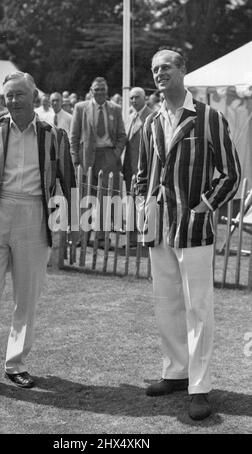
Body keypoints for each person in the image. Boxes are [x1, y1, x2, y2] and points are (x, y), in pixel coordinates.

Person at [136, 50, 241, 420]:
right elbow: (142, 171)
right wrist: (142, 204)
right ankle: (175, 372)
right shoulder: (151, 120)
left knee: (198, 307)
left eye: (166, 66)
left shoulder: (209, 117)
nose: (159, 73)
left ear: (183, 70)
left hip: (194, 226)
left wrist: (205, 207)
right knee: (165, 302)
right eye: (154, 69)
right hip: (158, 224)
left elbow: (231, 173)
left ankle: (200, 386)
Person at [0, 71, 75, 394]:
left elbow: (66, 180)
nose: (13, 101)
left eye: (19, 94)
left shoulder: (53, 135)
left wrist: (70, 219)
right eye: (9, 95)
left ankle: (16, 364)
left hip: (34, 214)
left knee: (26, 298)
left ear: (34, 96)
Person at [70, 76, 127, 247]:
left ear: (107, 91)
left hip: (108, 157)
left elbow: (122, 136)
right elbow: (74, 136)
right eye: (97, 89)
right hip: (86, 158)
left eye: (103, 89)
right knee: (85, 197)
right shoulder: (81, 108)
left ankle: (102, 238)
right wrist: (75, 159)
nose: (100, 92)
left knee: (105, 199)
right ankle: (82, 236)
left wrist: (115, 154)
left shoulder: (115, 109)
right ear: (91, 91)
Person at [122, 87, 152, 247]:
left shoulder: (152, 116)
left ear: (144, 98)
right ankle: (132, 239)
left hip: (145, 169)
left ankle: (146, 237)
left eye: (137, 97)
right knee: (132, 203)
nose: (133, 101)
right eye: (131, 98)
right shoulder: (130, 117)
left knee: (145, 203)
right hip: (129, 169)